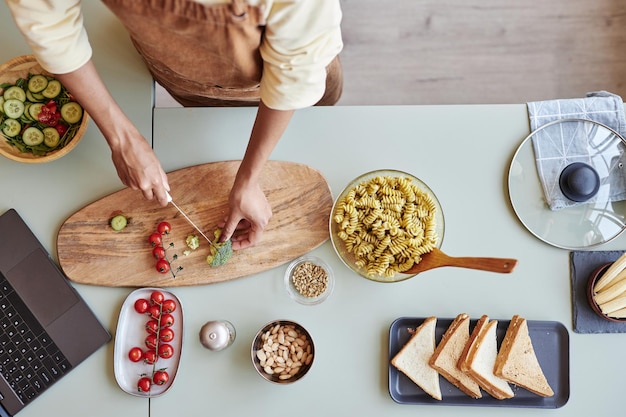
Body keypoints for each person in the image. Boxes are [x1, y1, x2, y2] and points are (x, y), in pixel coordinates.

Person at [5, 0, 343, 250]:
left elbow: (295, 75)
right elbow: (50, 25)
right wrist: (123, 139)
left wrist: (249, 179)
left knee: (317, 122)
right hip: (177, 72)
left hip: (284, 76)